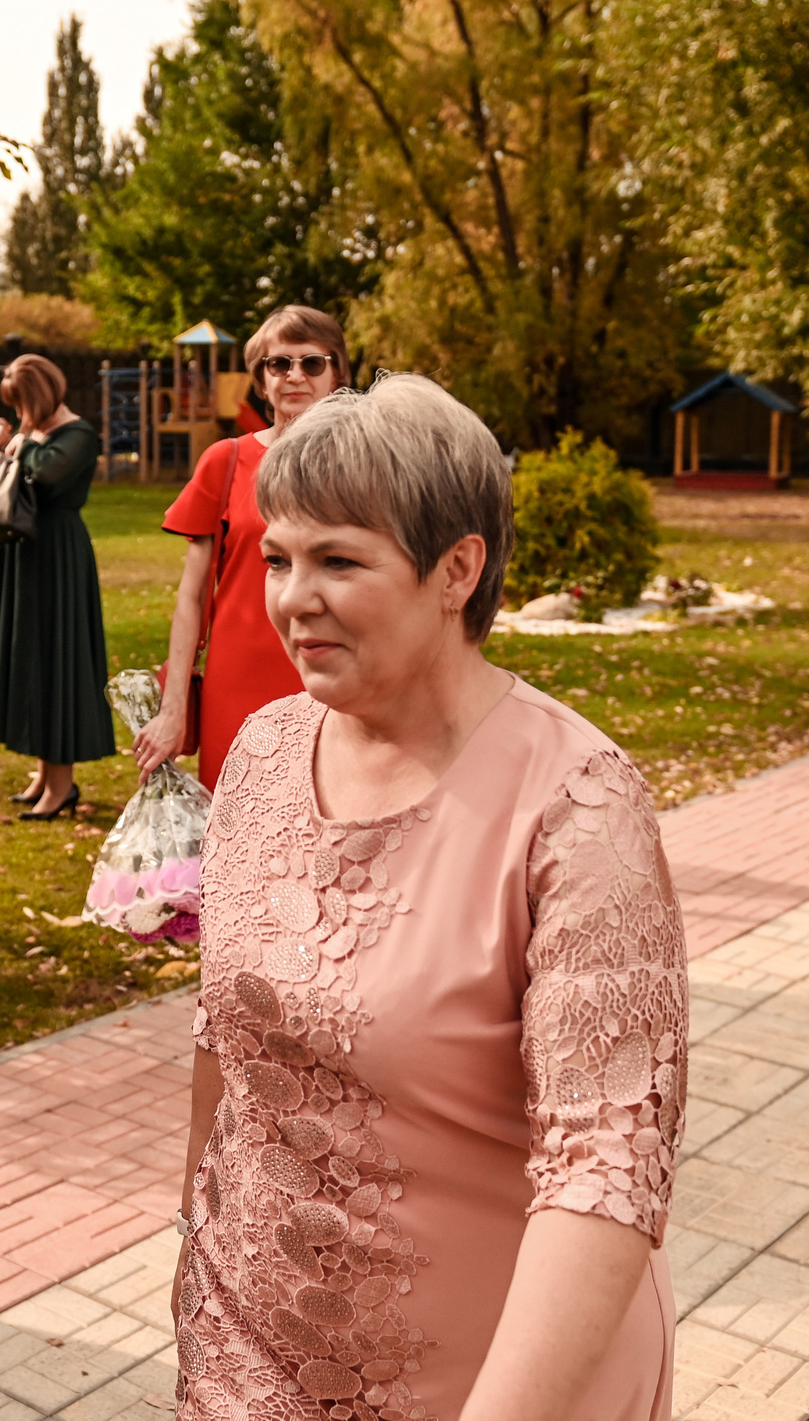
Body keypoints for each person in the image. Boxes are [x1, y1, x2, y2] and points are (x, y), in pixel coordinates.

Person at [175, 374, 690, 1421]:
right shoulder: (264, 752)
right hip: (245, 1362)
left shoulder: (576, 807)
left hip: (490, 1386)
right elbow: (220, 1039)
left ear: (458, 568)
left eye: (337, 560)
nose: (290, 596)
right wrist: (193, 1246)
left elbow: (605, 1170)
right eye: (278, 557)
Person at [134, 305, 349, 790]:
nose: (295, 376)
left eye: (312, 363)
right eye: (279, 364)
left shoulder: (362, 466)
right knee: (235, 830)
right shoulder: (225, 461)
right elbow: (192, 597)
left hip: (332, 672)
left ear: (337, 372)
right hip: (238, 679)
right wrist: (174, 711)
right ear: (260, 377)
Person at [0, 352, 114, 819]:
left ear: (41, 395)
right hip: (21, 555)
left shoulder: (79, 434)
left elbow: (50, 473)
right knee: (32, 661)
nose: (19, 414)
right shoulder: (29, 433)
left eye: (23, 403)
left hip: (58, 557)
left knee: (58, 661)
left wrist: (17, 444)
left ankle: (62, 785)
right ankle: (43, 775)